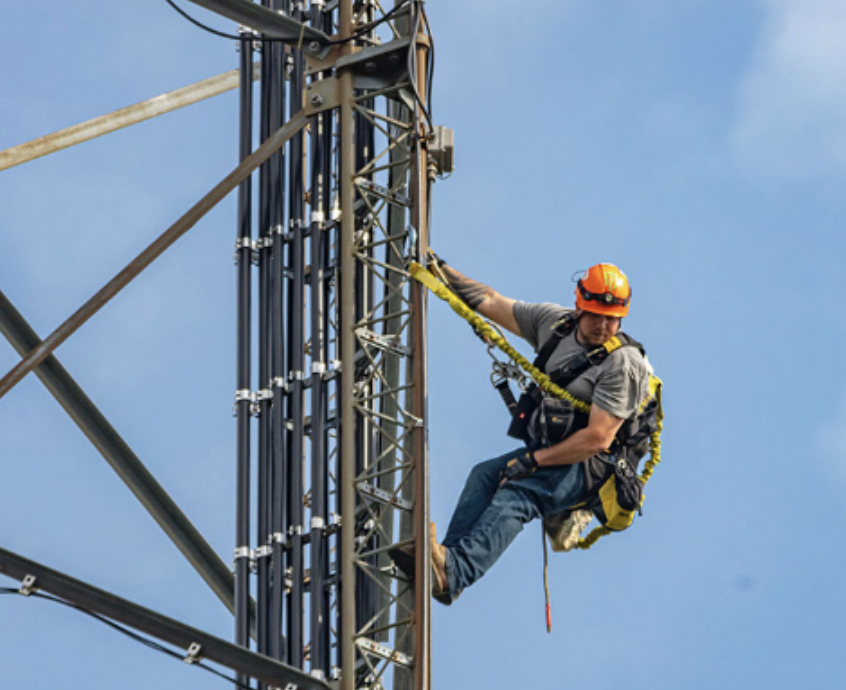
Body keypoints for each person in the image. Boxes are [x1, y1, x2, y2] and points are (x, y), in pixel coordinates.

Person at [424, 260, 654, 605]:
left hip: (596, 465)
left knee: (518, 496)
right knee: (485, 476)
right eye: (595, 315)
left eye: (612, 318)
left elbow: (598, 439)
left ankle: (454, 571)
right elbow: (491, 301)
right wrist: (440, 269)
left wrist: (533, 460)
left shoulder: (623, 364)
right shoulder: (554, 323)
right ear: (579, 306)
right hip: (557, 447)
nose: (603, 325)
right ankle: (447, 564)